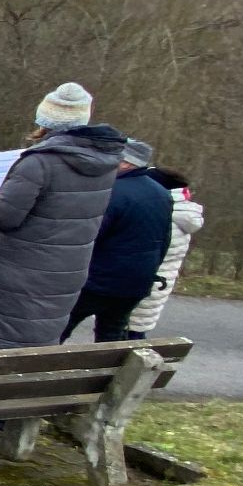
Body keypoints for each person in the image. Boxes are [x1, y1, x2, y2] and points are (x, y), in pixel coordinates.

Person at [0, 83, 126, 350]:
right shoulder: (105, 165)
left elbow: (4, 216)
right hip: (67, 272)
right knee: (38, 343)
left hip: (20, 272)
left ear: (45, 120)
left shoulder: (39, 162)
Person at [62, 138, 172, 343]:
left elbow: (90, 236)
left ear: (126, 163)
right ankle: (110, 374)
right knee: (111, 334)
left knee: (59, 328)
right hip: (137, 282)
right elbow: (164, 240)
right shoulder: (162, 193)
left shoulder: (112, 192)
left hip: (98, 280)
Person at [127, 168, 204, 338]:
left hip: (142, 282)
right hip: (158, 284)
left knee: (126, 333)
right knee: (135, 330)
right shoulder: (182, 215)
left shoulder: (162, 215)